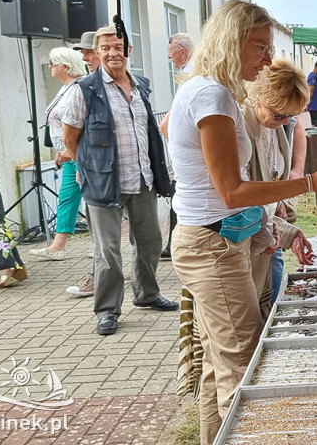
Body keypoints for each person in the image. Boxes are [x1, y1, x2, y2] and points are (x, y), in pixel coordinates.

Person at [166, 0, 317, 445]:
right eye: (261, 47)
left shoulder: (213, 91)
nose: (269, 58)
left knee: (219, 365)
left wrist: (284, 226)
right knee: (243, 371)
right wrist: (309, 183)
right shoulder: (211, 94)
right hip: (212, 246)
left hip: (215, 240)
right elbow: (233, 191)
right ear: (232, 42)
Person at [61, 26, 177, 337]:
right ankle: (108, 310)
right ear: (96, 53)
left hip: (141, 178)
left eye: (118, 46)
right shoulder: (84, 90)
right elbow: (70, 137)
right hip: (103, 182)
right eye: (106, 48)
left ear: (128, 50)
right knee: (108, 251)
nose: (113, 52)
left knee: (150, 241)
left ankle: (147, 294)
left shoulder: (142, 86)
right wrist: (84, 168)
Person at [241, 59, 317, 322]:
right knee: (251, 318)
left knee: (270, 301)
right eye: (279, 115)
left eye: (290, 116)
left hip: (270, 231)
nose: (285, 121)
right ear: (258, 98)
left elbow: (272, 177)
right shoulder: (240, 125)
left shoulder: (276, 124)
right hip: (248, 242)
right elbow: (244, 196)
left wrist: (280, 204)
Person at [26, 47, 88, 260]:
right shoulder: (67, 88)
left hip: (78, 152)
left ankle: (100, 245)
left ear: (66, 66)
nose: (50, 67)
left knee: (86, 198)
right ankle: (59, 244)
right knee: (68, 196)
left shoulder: (78, 87)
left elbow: (77, 123)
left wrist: (69, 149)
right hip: (69, 151)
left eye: (53, 63)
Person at [161, 33, 197, 259]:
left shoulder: (190, 75)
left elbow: (167, 124)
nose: (168, 56)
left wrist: (178, 147)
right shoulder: (192, 72)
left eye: (171, 52)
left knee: (181, 201)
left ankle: (175, 246)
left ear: (182, 52)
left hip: (189, 160)